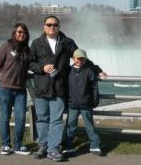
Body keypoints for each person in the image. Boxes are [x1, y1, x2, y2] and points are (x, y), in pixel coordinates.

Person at [30, 15, 106, 162]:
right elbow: (30, 63)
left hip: (59, 88)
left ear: (59, 27)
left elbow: (81, 58)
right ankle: (43, 146)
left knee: (57, 120)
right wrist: (42, 67)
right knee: (42, 119)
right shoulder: (36, 43)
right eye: (49, 24)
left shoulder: (67, 42)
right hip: (41, 87)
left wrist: (97, 70)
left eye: (55, 25)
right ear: (44, 26)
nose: (52, 27)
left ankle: (53, 149)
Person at [0, 23, 31, 156]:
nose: (22, 34)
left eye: (24, 32)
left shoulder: (27, 50)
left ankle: (18, 145)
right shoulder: (6, 46)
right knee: (5, 118)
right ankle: (6, 145)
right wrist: (6, 73)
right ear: (14, 33)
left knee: (20, 118)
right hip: (5, 88)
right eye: (19, 32)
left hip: (20, 90)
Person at [63, 48, 102, 157]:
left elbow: (94, 87)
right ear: (73, 58)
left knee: (90, 126)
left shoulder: (89, 71)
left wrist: (95, 100)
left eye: (82, 59)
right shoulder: (68, 71)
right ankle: (68, 146)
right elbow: (65, 87)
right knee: (70, 126)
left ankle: (95, 145)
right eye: (78, 58)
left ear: (85, 59)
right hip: (72, 104)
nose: (80, 60)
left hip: (86, 104)